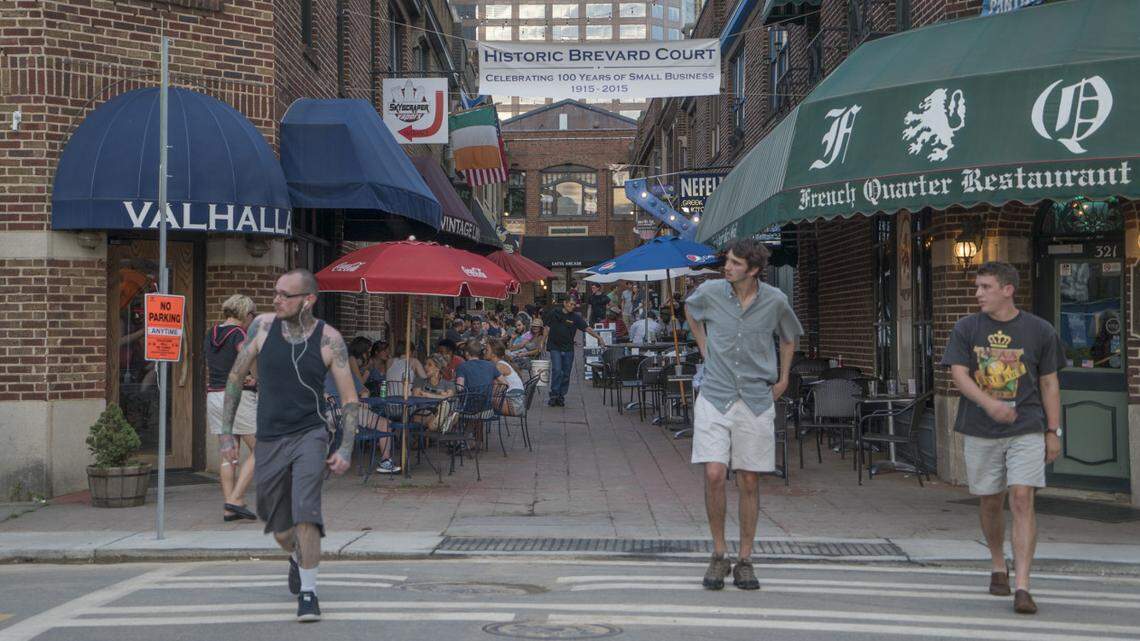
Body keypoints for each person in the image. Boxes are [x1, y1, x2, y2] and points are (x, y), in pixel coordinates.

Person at [219, 268, 364, 623]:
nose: (276, 299)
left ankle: (309, 593)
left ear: (308, 300)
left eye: (286, 295)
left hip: (310, 435)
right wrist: (226, 433)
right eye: (276, 293)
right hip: (269, 437)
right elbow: (236, 378)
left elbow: (349, 398)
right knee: (281, 526)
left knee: (307, 514)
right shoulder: (262, 329)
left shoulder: (330, 340)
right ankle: (297, 555)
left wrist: (345, 448)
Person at [940, 261, 1064, 615]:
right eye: (978, 287)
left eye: (985, 287)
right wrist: (989, 404)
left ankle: (1023, 586)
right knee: (991, 501)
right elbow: (959, 375)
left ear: (1008, 289)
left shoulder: (1040, 330)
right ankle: (998, 563)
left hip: (1026, 426)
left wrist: (1053, 431)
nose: (978, 293)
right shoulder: (966, 327)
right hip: (981, 429)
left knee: (1022, 498)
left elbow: (1049, 383)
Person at [685, 238, 802, 592]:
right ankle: (719, 553)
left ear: (753, 270)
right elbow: (691, 310)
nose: (727, 267)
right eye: (728, 262)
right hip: (716, 394)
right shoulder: (710, 292)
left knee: (749, 479)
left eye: (736, 263)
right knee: (715, 472)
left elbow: (789, 337)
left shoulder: (775, 300)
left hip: (754, 397)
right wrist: (704, 346)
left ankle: (746, 559)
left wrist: (783, 378)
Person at [205, 294, 259, 523]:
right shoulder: (239, 334)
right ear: (245, 314)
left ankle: (229, 508)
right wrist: (257, 378)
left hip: (215, 396)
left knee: (229, 453)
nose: (252, 320)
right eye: (252, 316)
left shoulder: (211, 333)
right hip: (238, 397)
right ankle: (235, 499)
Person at [543, 297, 607, 407]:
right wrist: (542, 342)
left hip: (568, 348)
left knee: (566, 373)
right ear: (565, 303)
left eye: (574, 305)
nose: (572, 307)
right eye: (571, 304)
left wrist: (599, 338)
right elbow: (547, 327)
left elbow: (587, 329)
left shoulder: (575, 317)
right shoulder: (554, 313)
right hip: (555, 346)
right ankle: (554, 395)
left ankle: (561, 396)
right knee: (557, 370)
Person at [411, 354, 458, 432]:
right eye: (425, 364)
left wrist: (427, 394)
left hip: (435, 413)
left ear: (437, 368)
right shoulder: (419, 381)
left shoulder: (449, 384)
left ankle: (440, 418)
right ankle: (444, 424)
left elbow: (449, 397)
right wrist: (440, 395)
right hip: (423, 411)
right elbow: (416, 396)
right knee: (433, 415)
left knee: (441, 409)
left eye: (429, 365)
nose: (425, 367)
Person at [486, 339, 526, 416]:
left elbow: (493, 387)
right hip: (516, 402)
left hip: (515, 404)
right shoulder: (501, 363)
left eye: (487, 350)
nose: (484, 352)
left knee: (480, 403)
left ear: (493, 354)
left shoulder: (499, 366)